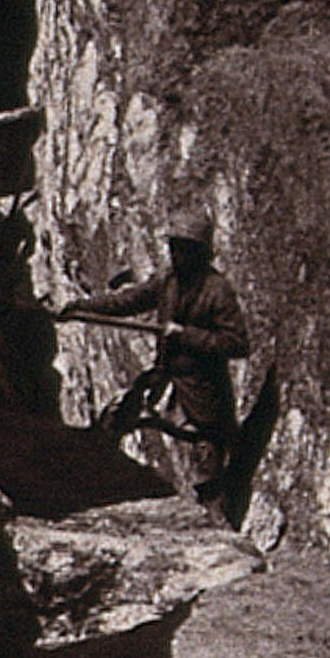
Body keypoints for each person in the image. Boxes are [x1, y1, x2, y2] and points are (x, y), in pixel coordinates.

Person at [52, 202, 255, 509]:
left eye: (184, 249)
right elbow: (128, 301)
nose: (177, 255)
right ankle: (93, 489)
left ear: (200, 252)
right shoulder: (168, 280)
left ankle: (217, 522)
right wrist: (81, 308)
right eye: (174, 247)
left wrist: (185, 334)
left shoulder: (217, 291)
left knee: (208, 469)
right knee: (117, 419)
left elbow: (237, 344)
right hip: (165, 380)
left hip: (202, 394)